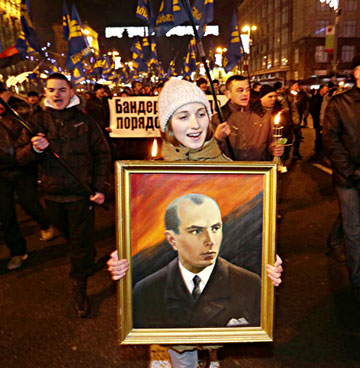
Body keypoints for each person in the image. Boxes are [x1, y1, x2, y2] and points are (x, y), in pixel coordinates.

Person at [107, 78, 283, 367]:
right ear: (167, 124)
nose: (195, 125)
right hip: (175, 319)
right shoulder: (149, 177)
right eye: (183, 116)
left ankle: (210, 355)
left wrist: (268, 261)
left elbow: (252, 233)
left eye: (201, 113)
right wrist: (126, 257)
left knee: (212, 341)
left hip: (220, 302)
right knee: (182, 352)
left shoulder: (230, 170)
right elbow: (136, 232)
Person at [16, 73, 112, 317]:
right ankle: (86, 257)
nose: (56, 94)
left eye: (62, 89)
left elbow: (102, 154)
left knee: (79, 243)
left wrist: (100, 187)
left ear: (71, 92)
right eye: (51, 90)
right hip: (51, 194)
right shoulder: (36, 121)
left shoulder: (85, 121)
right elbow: (19, 156)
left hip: (80, 194)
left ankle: (80, 285)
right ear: (45, 92)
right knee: (69, 235)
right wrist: (34, 149)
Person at [133, 193, 261, 329]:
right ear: (172, 240)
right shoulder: (146, 292)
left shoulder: (250, 285)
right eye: (196, 231)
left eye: (215, 228)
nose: (210, 241)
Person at [0, 85, 54, 270]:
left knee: (29, 203)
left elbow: (23, 138)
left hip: (22, 167)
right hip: (1, 172)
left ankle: (46, 223)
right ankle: (17, 251)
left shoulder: (21, 110)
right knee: (5, 214)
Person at [323, 54, 360, 303]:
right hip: (349, 178)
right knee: (354, 230)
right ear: (356, 73)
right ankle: (357, 281)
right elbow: (331, 140)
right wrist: (350, 171)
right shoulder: (340, 103)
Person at [211, 75, 284, 161]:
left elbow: (272, 142)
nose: (245, 94)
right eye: (240, 90)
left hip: (259, 170)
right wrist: (218, 138)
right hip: (232, 171)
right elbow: (210, 154)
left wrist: (275, 149)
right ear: (228, 94)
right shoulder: (218, 119)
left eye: (247, 90)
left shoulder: (263, 115)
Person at [282, 81, 302, 159]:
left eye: (297, 85)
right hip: (289, 122)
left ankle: (296, 152)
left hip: (296, 120)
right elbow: (286, 109)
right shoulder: (286, 97)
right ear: (291, 86)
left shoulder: (298, 95)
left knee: (298, 137)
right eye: (295, 85)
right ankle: (285, 154)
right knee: (287, 139)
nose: (297, 86)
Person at [309, 84, 328, 154]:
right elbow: (312, 108)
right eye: (325, 88)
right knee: (318, 134)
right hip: (318, 119)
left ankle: (320, 147)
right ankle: (318, 148)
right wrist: (316, 116)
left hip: (323, 119)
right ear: (321, 89)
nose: (327, 90)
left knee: (322, 134)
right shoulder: (315, 98)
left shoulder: (325, 98)